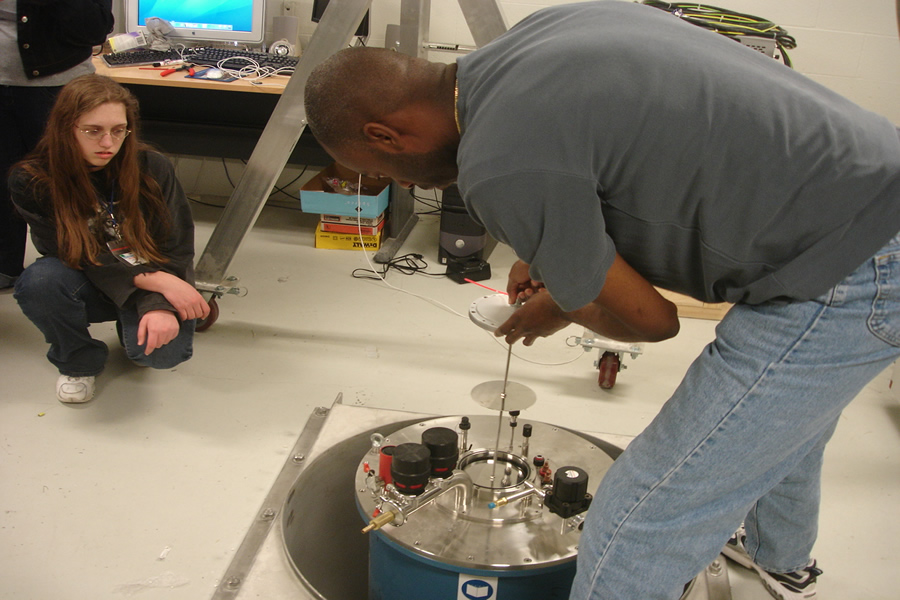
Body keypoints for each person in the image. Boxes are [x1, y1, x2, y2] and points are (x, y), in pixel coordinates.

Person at [303, 2, 900, 599]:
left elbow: (655, 321)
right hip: (874, 184)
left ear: (385, 134)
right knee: (782, 420)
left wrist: (564, 302)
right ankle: (783, 561)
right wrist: (554, 244)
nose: (406, 184)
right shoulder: (537, 36)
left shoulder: (497, 165)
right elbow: (619, 147)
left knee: (640, 517)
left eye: (384, 169)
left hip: (846, 272)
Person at [9, 74, 209, 404]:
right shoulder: (33, 180)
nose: (108, 143)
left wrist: (155, 303)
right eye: (93, 131)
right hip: (89, 275)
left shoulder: (151, 166)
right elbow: (73, 254)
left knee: (160, 356)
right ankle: (78, 360)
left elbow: (176, 242)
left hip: (146, 275)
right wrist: (158, 282)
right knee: (39, 282)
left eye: (118, 130)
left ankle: (130, 317)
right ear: (65, 129)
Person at [0, 0, 115, 290]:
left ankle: (90, 273)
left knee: (69, 185)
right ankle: (5, 268)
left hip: (58, 88)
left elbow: (94, 30)